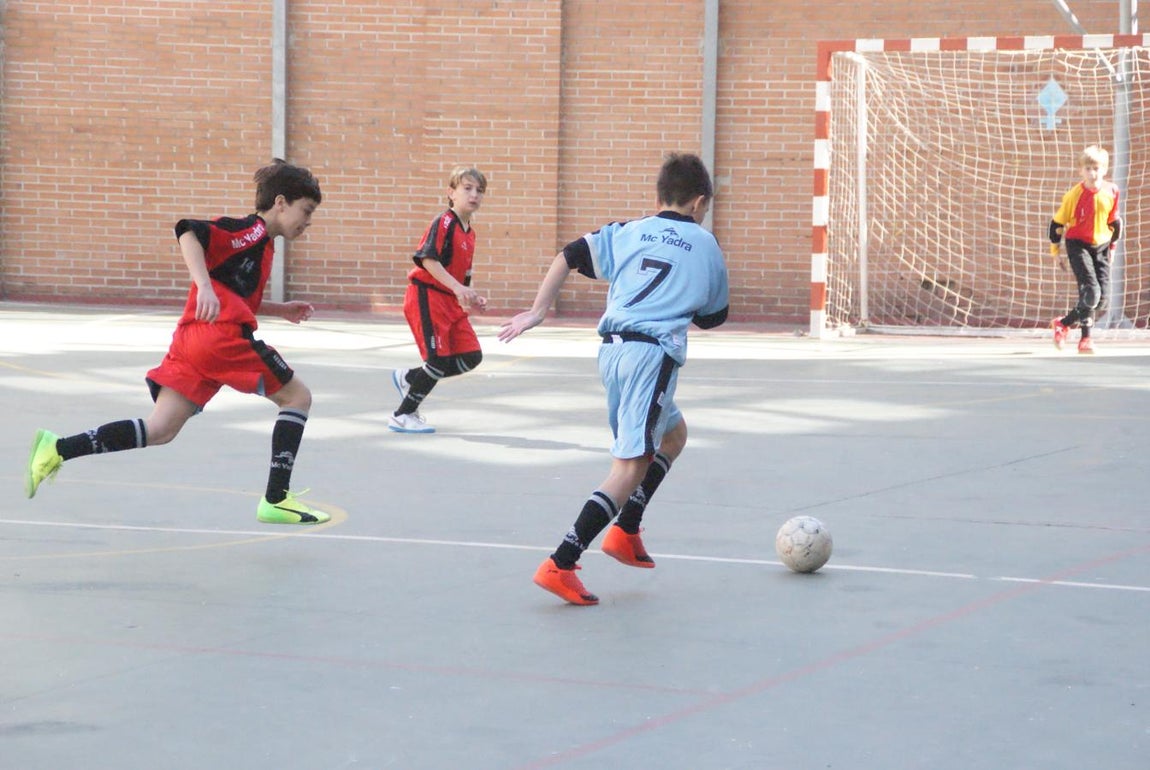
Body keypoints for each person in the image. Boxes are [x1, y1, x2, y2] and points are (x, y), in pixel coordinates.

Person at [25, 159, 332, 525]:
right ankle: (276, 498)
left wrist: (279, 309)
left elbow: (235, 295)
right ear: (280, 202)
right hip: (219, 339)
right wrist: (201, 284)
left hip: (192, 341)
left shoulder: (262, 247)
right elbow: (189, 231)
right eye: (306, 211)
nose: (308, 222)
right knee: (298, 397)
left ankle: (56, 448)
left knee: (161, 429)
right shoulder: (251, 231)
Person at [498, 152, 730, 606]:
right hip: (652, 356)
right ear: (700, 202)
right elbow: (714, 315)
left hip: (611, 354)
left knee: (674, 435)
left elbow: (568, 255)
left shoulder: (629, 230)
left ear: (659, 195)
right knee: (629, 467)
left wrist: (538, 310)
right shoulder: (704, 242)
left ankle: (626, 529)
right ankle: (561, 562)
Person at [389, 165, 488, 434]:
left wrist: (471, 294)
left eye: (479, 190)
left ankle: (410, 378)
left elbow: (462, 274)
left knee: (471, 356)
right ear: (451, 193)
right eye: (467, 188)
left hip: (451, 301)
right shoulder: (443, 222)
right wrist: (457, 288)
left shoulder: (470, 232)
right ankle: (402, 414)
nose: (474, 195)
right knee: (437, 360)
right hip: (428, 296)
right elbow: (428, 259)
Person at [1049, 144, 1121, 355]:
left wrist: (1113, 247)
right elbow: (1056, 225)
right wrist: (1056, 252)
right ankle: (1086, 339)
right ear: (1081, 171)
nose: (1092, 173)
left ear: (1105, 169)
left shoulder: (1112, 191)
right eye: (1088, 169)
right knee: (1091, 291)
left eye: (1096, 168)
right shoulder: (1074, 195)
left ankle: (1063, 323)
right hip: (1077, 244)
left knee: (1102, 298)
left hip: (1101, 246)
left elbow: (1115, 222)